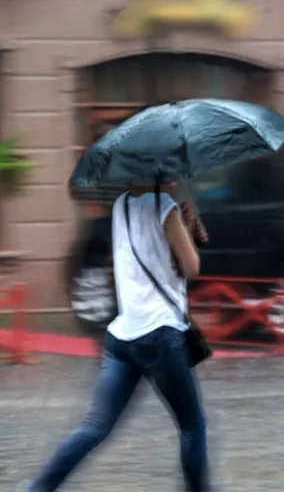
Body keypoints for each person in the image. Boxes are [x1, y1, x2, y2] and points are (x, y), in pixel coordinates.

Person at [20, 182, 209, 491]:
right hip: (160, 335)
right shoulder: (165, 207)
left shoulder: (121, 205)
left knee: (94, 427)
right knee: (192, 425)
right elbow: (191, 267)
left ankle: (39, 487)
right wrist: (185, 218)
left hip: (121, 337)